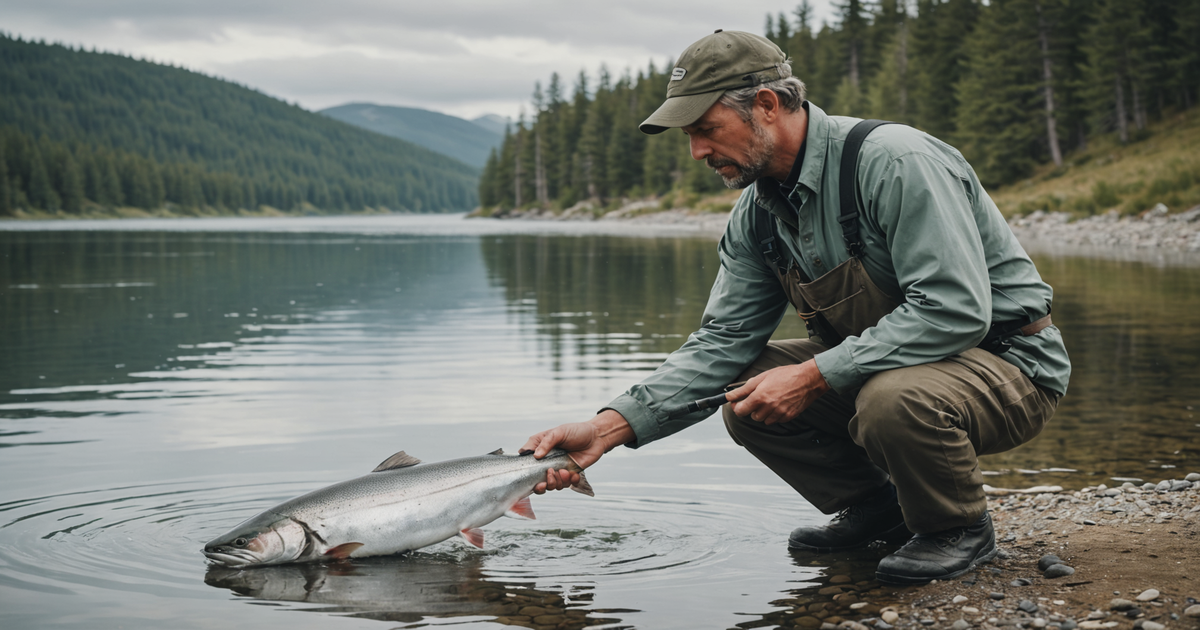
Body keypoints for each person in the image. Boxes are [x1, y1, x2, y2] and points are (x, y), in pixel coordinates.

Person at [520, 30, 1070, 585]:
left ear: (767, 104)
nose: (698, 152)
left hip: (1008, 365)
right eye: (689, 136)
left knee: (889, 398)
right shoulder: (755, 214)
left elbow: (954, 310)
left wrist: (812, 375)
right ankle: (881, 510)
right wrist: (608, 427)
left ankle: (956, 528)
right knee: (746, 388)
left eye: (706, 130)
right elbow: (720, 343)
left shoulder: (896, 162)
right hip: (897, 369)